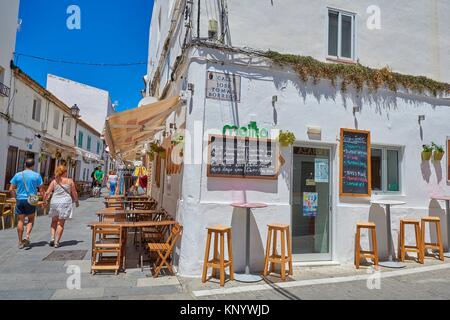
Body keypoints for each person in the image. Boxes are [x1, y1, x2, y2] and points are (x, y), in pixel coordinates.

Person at [9, 158, 44, 249]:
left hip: (20, 199)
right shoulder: (36, 175)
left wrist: (15, 197)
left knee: (20, 220)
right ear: (33, 165)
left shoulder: (18, 175)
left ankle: (20, 242)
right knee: (31, 219)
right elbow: (41, 190)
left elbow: (11, 189)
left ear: (25, 164)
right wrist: (44, 200)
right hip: (31, 199)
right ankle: (27, 236)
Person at [44, 165, 79, 248]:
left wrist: (45, 201)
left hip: (54, 202)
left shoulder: (54, 181)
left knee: (54, 221)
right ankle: (56, 242)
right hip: (65, 203)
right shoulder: (69, 181)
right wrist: (76, 201)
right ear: (65, 172)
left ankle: (52, 238)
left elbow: (47, 192)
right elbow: (74, 192)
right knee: (61, 223)